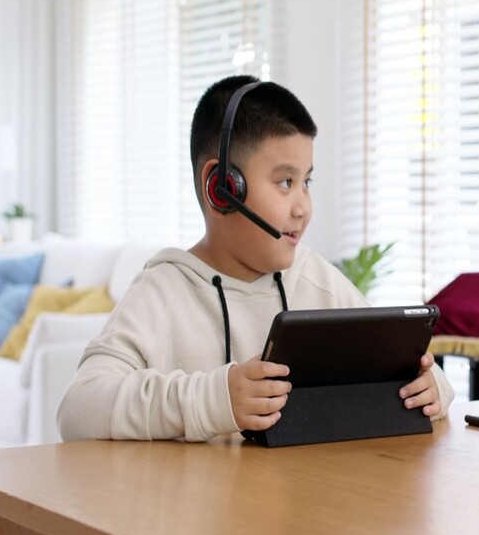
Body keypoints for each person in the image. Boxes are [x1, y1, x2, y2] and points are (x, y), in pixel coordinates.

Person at [59, 76, 453, 442]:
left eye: (306, 182)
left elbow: (415, 370)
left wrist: (433, 387)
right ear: (221, 188)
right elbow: (78, 409)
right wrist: (213, 400)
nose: (303, 207)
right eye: (285, 182)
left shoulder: (314, 278)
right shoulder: (164, 291)